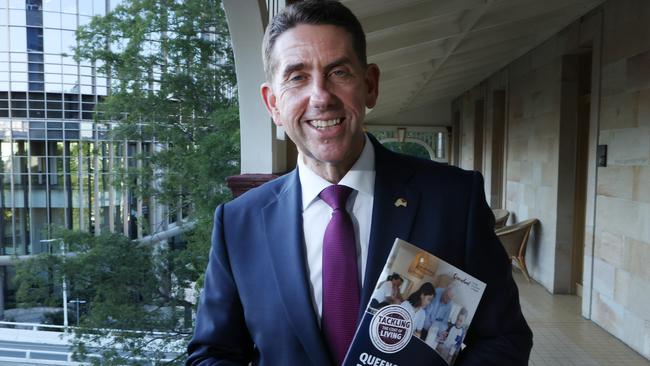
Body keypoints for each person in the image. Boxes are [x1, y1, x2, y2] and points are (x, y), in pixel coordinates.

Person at [187, 1, 532, 365]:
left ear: (370, 85)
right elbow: (212, 353)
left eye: (338, 72)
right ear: (273, 104)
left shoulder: (453, 200)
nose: (320, 96)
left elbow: (504, 340)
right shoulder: (239, 222)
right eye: (297, 77)